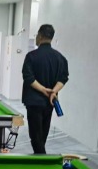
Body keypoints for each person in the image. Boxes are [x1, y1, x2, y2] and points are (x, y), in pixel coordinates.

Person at [21, 24, 69, 154]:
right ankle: (41, 157)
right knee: (42, 136)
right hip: (50, 102)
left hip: (34, 102)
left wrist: (43, 90)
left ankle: (42, 159)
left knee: (36, 137)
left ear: (40, 36)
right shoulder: (60, 58)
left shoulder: (31, 56)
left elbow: (28, 77)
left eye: (37, 35)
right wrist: (54, 91)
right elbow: (63, 78)